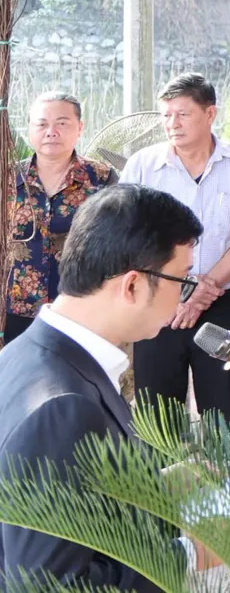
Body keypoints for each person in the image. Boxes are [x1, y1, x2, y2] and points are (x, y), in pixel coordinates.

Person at [0, 184, 206, 589]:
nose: (182, 297)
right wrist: (188, 556)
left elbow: (71, 496)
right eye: (181, 280)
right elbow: (51, 584)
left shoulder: (25, 353)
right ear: (132, 285)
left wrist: (161, 486)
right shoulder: (63, 407)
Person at [122, 73, 230, 428]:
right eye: (166, 115)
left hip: (223, 306)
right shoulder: (142, 166)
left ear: (210, 114)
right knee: (158, 420)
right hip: (158, 306)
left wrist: (203, 292)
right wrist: (176, 292)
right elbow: (127, 235)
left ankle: (222, 470)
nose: (172, 124)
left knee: (223, 417)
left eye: (183, 114)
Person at [6, 92, 118, 343]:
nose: (51, 132)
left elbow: (119, 241)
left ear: (80, 127)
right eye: (42, 124)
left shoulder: (102, 179)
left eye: (62, 123)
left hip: (80, 307)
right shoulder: (8, 179)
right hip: (13, 309)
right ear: (30, 129)